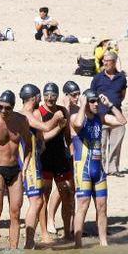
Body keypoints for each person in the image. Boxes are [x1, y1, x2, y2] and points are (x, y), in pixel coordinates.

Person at [71, 90, 127, 248]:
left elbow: (122, 121)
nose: (96, 104)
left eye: (97, 101)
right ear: (86, 102)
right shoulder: (76, 117)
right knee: (83, 205)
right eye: (93, 101)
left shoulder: (99, 118)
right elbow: (77, 125)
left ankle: (103, 243)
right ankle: (78, 244)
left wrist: (110, 105)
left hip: (99, 170)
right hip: (83, 170)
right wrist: (82, 105)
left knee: (102, 206)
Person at [0, 90, 33, 250]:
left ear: (13, 107)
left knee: (15, 213)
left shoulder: (21, 121)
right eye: (0, 107)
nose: (3, 110)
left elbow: (29, 146)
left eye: (7, 108)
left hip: (15, 170)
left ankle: (14, 251)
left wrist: (24, 168)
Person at [19, 84, 65, 248]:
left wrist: (59, 127)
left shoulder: (30, 116)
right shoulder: (26, 115)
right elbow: (46, 126)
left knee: (38, 200)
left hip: (35, 162)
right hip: (29, 164)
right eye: (39, 96)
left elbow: (42, 138)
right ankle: (29, 242)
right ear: (34, 98)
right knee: (37, 202)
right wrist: (57, 117)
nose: (42, 99)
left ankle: (34, 239)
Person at [36, 82, 74, 241]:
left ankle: (66, 232)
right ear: (43, 95)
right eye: (47, 95)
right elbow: (42, 137)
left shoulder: (62, 111)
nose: (50, 98)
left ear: (58, 95)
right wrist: (58, 127)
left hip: (60, 157)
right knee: (44, 194)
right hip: (44, 157)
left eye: (53, 95)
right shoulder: (39, 112)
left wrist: (71, 153)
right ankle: (44, 232)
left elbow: (67, 136)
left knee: (66, 193)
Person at [90, 50, 128, 175]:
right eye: (104, 61)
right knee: (101, 144)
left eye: (107, 61)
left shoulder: (121, 78)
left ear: (114, 62)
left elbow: (122, 95)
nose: (104, 63)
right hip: (101, 116)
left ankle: (113, 169)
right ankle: (100, 169)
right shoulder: (97, 78)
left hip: (116, 115)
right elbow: (91, 96)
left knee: (116, 144)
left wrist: (114, 104)